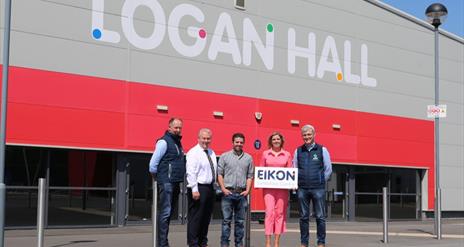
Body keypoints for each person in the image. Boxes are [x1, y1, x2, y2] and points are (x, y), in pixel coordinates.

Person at [148, 117, 186, 247]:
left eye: (180, 127)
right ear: (169, 127)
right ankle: (162, 244)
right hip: (166, 182)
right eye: (176, 127)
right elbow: (153, 164)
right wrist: (159, 177)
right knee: (165, 213)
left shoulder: (177, 143)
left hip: (175, 182)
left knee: (168, 213)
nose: (178, 130)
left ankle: (164, 242)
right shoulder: (164, 142)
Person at [293, 125, 332, 247]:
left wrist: (320, 181)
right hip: (302, 188)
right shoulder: (298, 151)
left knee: (320, 217)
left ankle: (321, 242)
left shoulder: (322, 150)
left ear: (314, 135)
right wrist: (296, 184)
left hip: (318, 188)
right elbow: (294, 169)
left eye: (309, 134)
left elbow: (328, 169)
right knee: (303, 217)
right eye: (304, 135)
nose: (307, 137)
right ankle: (304, 243)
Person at [217, 133, 254, 247]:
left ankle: (239, 244)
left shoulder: (248, 158)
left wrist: (248, 190)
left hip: (242, 194)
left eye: (241, 142)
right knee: (226, 221)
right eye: (237, 142)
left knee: (240, 223)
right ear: (233, 142)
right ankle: (224, 244)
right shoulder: (224, 156)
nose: (239, 144)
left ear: (243, 143)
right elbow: (220, 174)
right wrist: (223, 188)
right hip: (228, 193)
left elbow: (250, 176)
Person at [260, 132, 293, 247]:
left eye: (278, 139)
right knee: (269, 213)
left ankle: (277, 242)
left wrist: (292, 183)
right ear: (271, 141)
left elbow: (290, 171)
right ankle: (268, 241)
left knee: (279, 214)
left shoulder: (287, 154)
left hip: (282, 190)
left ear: (281, 140)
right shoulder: (265, 154)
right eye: (274, 139)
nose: (276, 141)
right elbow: (261, 170)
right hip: (268, 189)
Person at [186, 128, 217, 247]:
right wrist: (194, 189)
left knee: (206, 217)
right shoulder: (193, 152)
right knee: (196, 217)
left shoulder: (211, 152)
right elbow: (191, 172)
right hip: (198, 188)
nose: (206, 140)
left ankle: (202, 242)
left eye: (208, 138)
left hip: (210, 188)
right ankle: (193, 243)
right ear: (198, 138)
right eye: (204, 138)